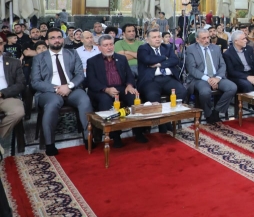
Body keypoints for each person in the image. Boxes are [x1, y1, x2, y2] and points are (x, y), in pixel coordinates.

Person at [31, 28, 93, 156]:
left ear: (63, 39)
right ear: (47, 41)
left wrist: (69, 86)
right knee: (54, 102)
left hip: (71, 89)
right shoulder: (39, 58)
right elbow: (35, 82)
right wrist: (57, 88)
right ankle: (50, 144)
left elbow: (80, 74)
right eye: (53, 38)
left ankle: (88, 138)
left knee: (84, 99)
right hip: (48, 92)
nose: (57, 40)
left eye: (59, 37)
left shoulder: (72, 53)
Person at [86, 35, 148, 147]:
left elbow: (129, 75)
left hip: (121, 87)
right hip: (102, 89)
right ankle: (115, 136)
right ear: (99, 47)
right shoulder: (92, 61)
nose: (109, 47)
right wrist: (106, 89)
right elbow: (91, 81)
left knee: (134, 98)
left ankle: (138, 132)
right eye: (105, 45)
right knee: (105, 101)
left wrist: (129, 85)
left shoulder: (121, 58)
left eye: (111, 44)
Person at [136, 29, 186, 129]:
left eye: (159, 37)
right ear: (147, 39)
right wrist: (165, 58)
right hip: (151, 80)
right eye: (154, 37)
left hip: (168, 78)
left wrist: (160, 64)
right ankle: (163, 124)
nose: (157, 39)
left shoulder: (167, 47)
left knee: (182, 91)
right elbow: (147, 59)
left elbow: (175, 60)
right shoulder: (143, 48)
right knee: (152, 95)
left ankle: (172, 118)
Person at [185, 29, 237, 124]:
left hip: (216, 76)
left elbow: (222, 65)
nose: (207, 40)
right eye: (203, 38)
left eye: (208, 37)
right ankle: (208, 114)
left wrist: (217, 78)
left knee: (232, 87)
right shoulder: (191, 49)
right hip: (200, 78)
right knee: (205, 92)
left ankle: (216, 111)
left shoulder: (216, 48)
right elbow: (192, 69)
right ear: (197, 39)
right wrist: (208, 79)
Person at [0, 37, 26, 158]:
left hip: (7, 96)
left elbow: (21, 84)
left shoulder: (14, 62)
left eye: (0, 43)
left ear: (3, 45)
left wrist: (2, 93)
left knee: (18, 111)